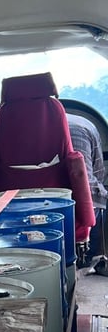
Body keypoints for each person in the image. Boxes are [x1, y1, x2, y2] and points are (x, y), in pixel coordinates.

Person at [67, 112, 107, 262]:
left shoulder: (5, 123)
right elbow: (96, 176)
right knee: (99, 198)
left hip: (21, 206)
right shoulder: (82, 124)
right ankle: (96, 260)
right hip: (80, 213)